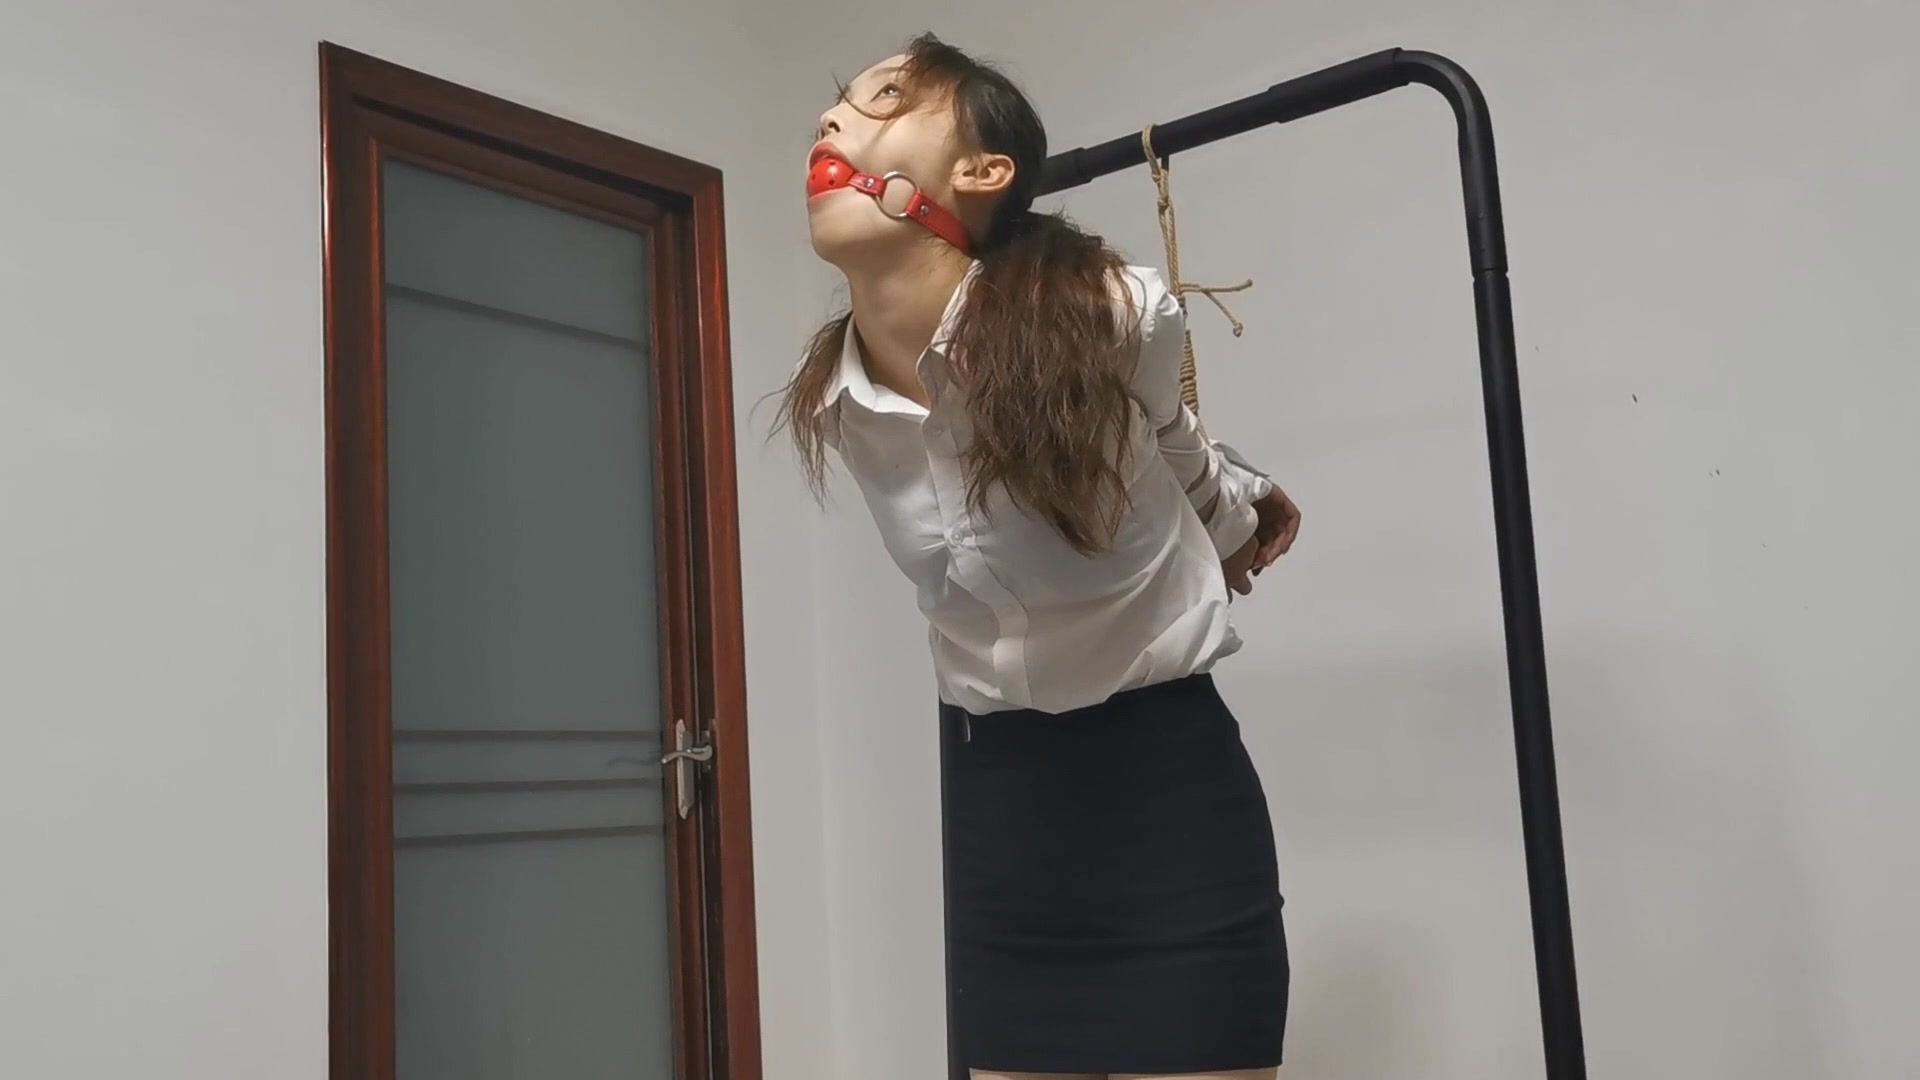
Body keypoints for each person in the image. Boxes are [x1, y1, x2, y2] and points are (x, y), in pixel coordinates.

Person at [777, 32, 1303, 1080]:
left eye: (886, 101)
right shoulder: (841, 401)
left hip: (1168, 794)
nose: (833, 121)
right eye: (838, 105)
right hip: (1002, 810)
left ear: (984, 173)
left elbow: (1171, 439)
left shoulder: (1109, 313)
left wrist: (1240, 514)